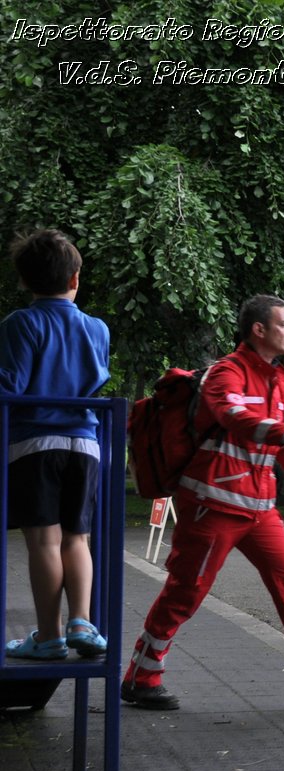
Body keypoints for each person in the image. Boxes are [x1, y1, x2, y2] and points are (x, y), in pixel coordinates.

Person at [122, 294, 284, 709]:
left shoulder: (276, 379)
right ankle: (141, 676)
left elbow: (283, 442)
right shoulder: (226, 372)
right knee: (187, 590)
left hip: (259, 509)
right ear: (259, 330)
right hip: (213, 505)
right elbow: (235, 417)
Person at [1, 229, 112, 660]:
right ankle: (81, 620)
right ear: (76, 279)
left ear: (25, 282)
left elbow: (11, 386)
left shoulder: (20, 324)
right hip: (85, 443)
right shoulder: (97, 328)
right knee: (77, 539)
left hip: (34, 443)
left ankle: (48, 636)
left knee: (44, 542)